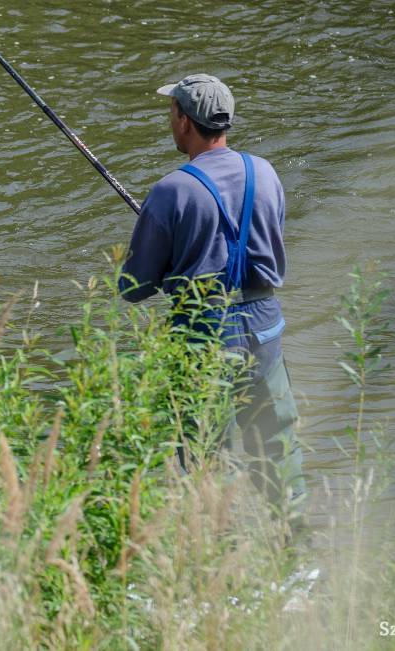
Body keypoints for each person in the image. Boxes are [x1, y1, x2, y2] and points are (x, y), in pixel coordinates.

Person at [119, 73, 306, 522]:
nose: (170, 119)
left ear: (185, 121)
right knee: (277, 447)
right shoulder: (265, 172)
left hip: (203, 335)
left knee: (205, 456)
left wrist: (169, 257)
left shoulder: (171, 190)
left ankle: (219, 551)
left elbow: (133, 287)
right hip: (264, 327)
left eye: (172, 111)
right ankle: (295, 544)